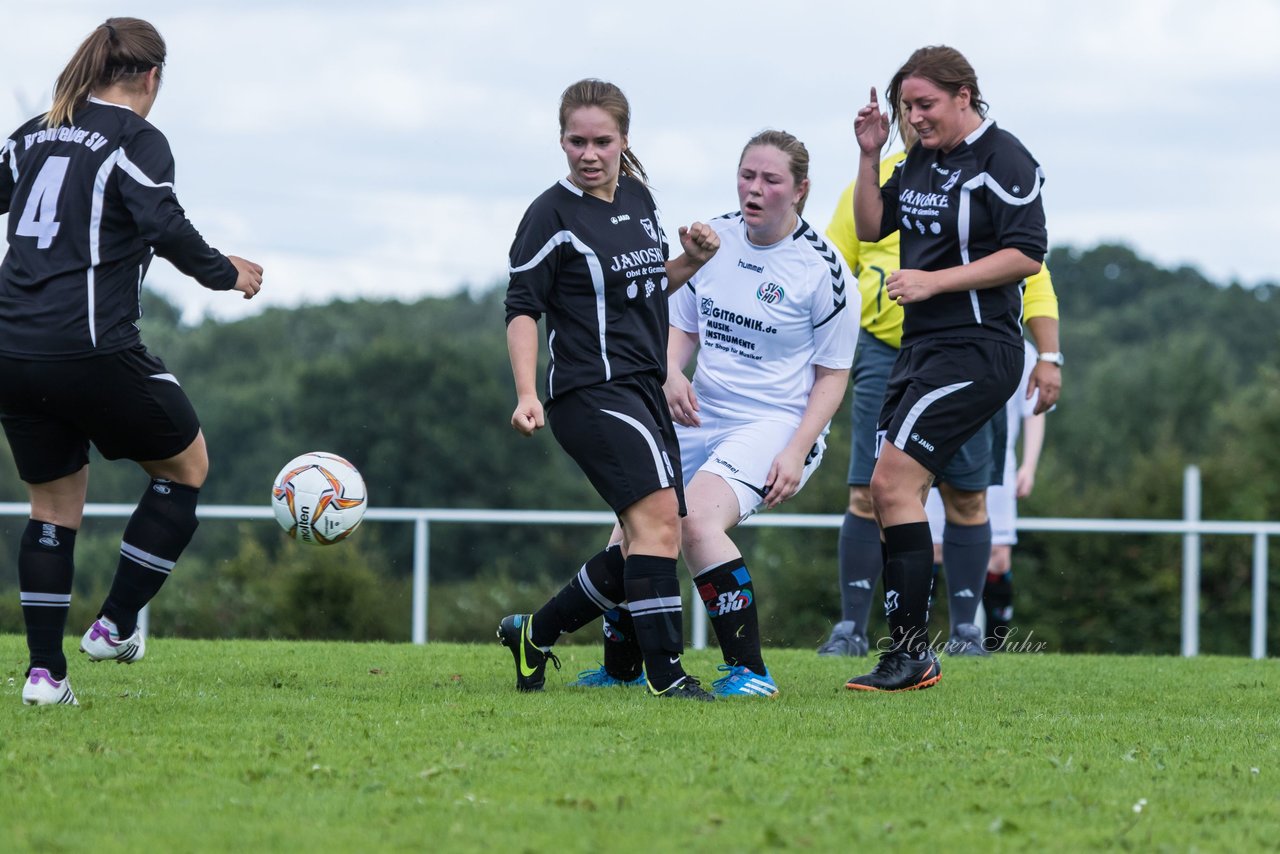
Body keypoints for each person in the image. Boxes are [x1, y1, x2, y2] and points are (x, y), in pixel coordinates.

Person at [1, 18, 263, 707]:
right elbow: (162, 222)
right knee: (187, 467)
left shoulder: (34, 131)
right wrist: (224, 273)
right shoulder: (137, 139)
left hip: (12, 351)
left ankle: (44, 675)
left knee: (52, 511)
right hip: (90, 348)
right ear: (152, 77)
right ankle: (114, 625)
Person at [568, 130, 858, 698]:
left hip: (773, 421)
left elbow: (832, 377)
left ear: (800, 190)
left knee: (695, 522)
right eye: (747, 175)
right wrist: (671, 373)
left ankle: (751, 672)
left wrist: (797, 449)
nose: (755, 188)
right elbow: (676, 330)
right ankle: (621, 666)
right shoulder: (711, 241)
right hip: (700, 407)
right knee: (635, 521)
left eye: (771, 180)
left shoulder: (823, 270)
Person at [498, 79, 721, 700]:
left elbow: (645, 287)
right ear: (561, 140)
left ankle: (535, 634)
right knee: (657, 526)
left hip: (643, 388)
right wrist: (525, 392)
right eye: (577, 141)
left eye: (602, 141)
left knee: (647, 533)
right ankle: (667, 676)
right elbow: (522, 308)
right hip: (589, 393)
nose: (588, 153)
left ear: (625, 140)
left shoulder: (641, 198)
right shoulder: (550, 214)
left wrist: (692, 262)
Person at [844, 45, 1051, 692]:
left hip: (979, 349)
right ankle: (908, 652)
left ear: (965, 95)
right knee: (888, 492)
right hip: (921, 349)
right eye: (907, 106)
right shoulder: (918, 160)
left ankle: (912, 653)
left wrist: (935, 283)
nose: (915, 116)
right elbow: (873, 226)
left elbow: (1027, 254)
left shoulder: (1005, 158)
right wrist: (872, 152)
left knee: (895, 488)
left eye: (925, 104)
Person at [925, 337, 1048, 652]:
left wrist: (1029, 465)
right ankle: (916, 642)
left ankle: (994, 645)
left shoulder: (1023, 350)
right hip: (940, 455)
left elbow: (1033, 411)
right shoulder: (947, 334)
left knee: (998, 557)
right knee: (933, 550)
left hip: (998, 462)